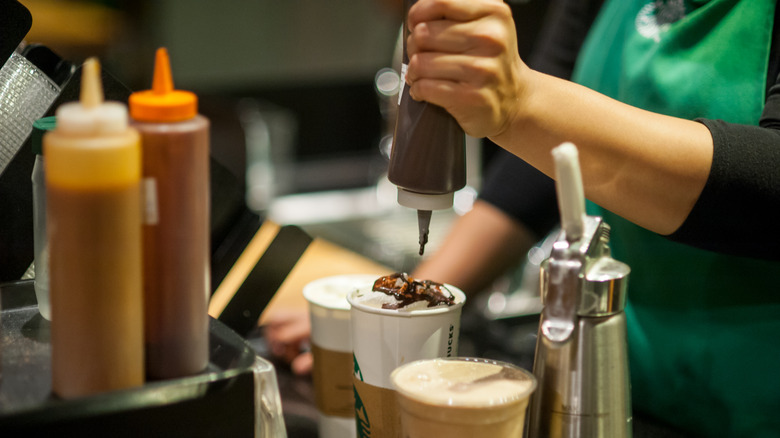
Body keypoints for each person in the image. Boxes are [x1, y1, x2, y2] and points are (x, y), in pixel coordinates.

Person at [267, 0, 780, 435]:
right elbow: (541, 167)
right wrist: (406, 307)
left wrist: (520, 101)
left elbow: (769, 187)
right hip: (610, 390)